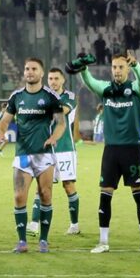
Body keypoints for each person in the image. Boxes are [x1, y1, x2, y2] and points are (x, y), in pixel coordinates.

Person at [77, 52, 140, 254]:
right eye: (114, 67)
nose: (117, 71)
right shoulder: (106, 89)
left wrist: (137, 66)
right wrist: (83, 69)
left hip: (132, 149)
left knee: (139, 194)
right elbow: (90, 82)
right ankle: (103, 242)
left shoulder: (135, 88)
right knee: (105, 196)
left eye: (121, 67)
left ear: (127, 69)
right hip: (111, 150)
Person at [0, 58, 66, 253]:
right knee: (19, 197)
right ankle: (22, 242)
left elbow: (61, 123)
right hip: (23, 154)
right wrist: (0, 134)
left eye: (34, 69)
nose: (29, 72)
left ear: (41, 73)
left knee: (45, 195)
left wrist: (54, 137)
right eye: (27, 69)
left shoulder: (50, 96)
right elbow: (4, 121)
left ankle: (43, 240)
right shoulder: (17, 97)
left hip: (44, 155)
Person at [27, 68, 81, 236]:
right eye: (50, 79)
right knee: (41, 187)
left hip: (65, 149)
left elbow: (62, 111)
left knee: (68, 185)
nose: (53, 82)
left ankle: (74, 224)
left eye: (56, 78)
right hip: (45, 150)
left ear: (63, 80)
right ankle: (34, 224)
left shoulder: (69, 97)